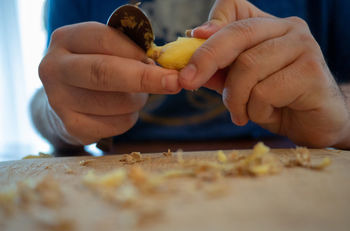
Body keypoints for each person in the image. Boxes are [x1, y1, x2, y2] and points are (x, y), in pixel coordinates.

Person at [31, 0, 350, 151]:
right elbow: (46, 95)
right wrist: (57, 115)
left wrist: (340, 116)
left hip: (285, 166)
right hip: (122, 175)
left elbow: (342, 102)